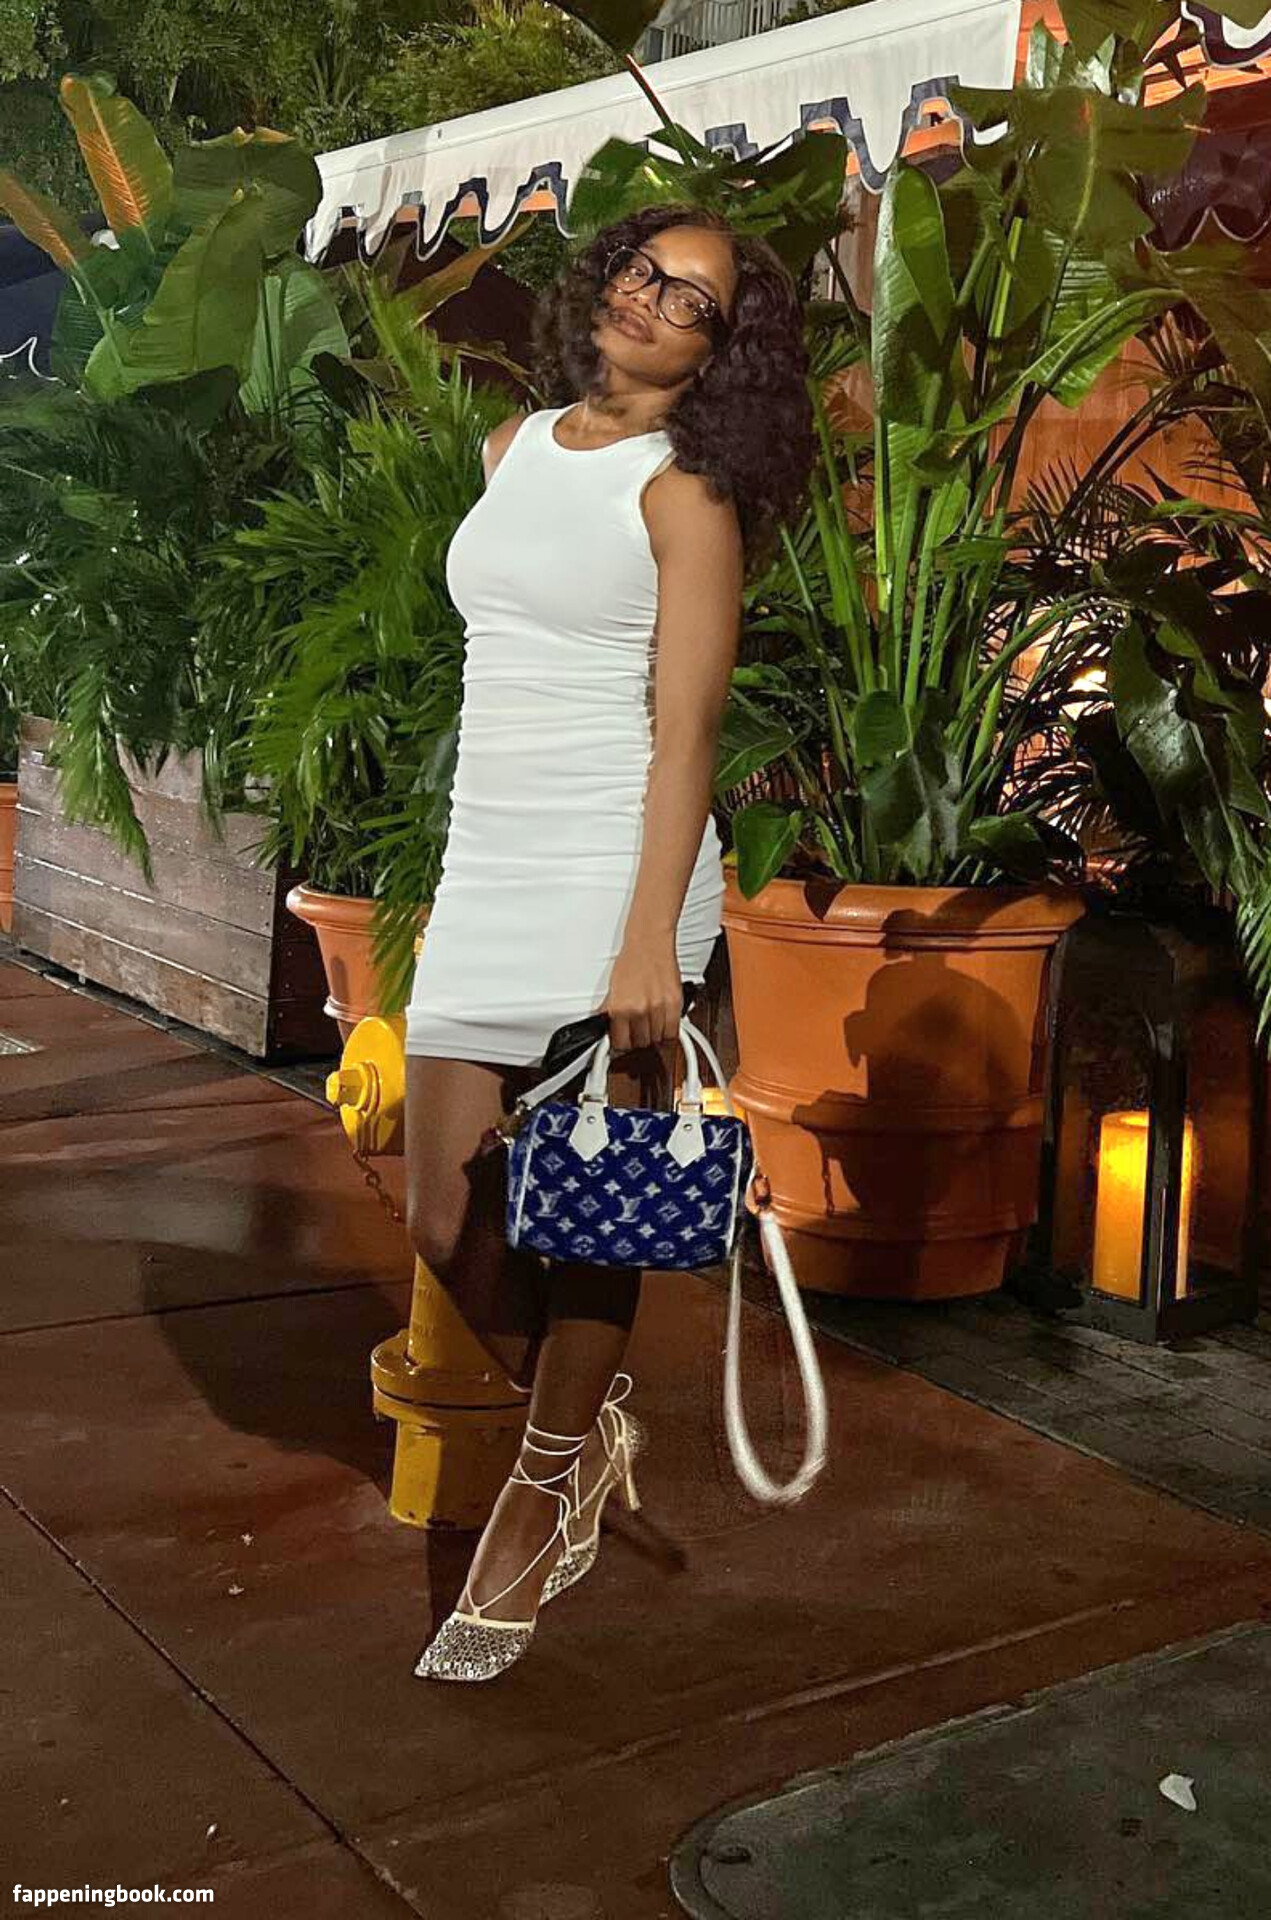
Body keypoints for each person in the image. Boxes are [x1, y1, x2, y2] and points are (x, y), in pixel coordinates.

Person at [405, 202, 814, 1681]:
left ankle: (542, 1486)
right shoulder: (510, 448)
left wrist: (652, 940)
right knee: (443, 1219)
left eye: (691, 299)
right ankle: (582, 1431)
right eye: (645, 270)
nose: (650, 299)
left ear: (720, 353)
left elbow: (687, 737)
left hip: (614, 873)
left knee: (593, 1208)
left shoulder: (684, 493)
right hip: (491, 862)